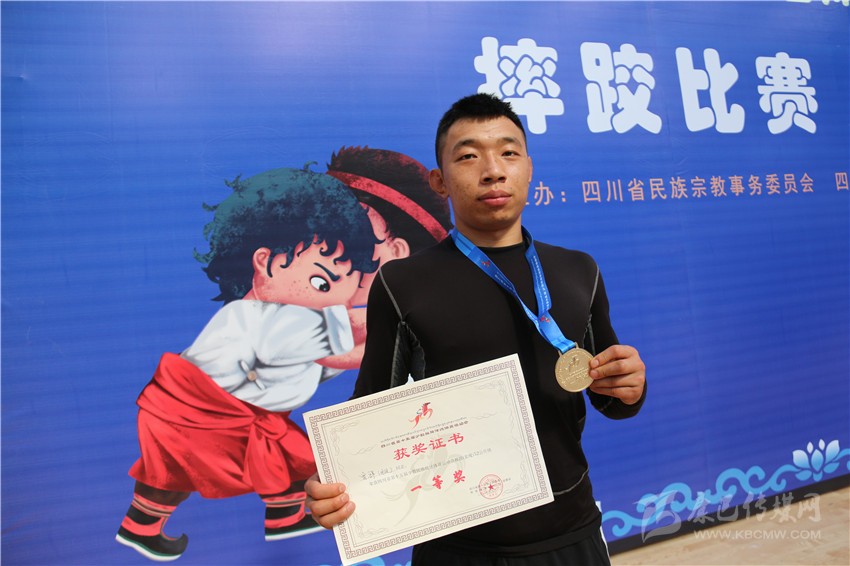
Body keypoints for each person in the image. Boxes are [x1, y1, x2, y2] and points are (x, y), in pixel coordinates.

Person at [305, 93, 647, 565]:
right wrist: (336, 480)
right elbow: (370, 411)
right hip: (455, 544)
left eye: (508, 152)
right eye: (468, 156)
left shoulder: (577, 270)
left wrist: (629, 387)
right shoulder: (401, 282)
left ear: (529, 167)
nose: (493, 170)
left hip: (572, 532)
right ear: (439, 181)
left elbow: (611, 400)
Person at [117, 167, 379, 561]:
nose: (335, 299)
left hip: (225, 416)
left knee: (288, 458)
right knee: (177, 474)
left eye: (348, 285)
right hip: (199, 416)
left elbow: (328, 360)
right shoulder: (266, 318)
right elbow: (348, 338)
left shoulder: (294, 323)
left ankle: (282, 517)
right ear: (265, 262)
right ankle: (145, 525)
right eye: (322, 282)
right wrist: (391, 325)